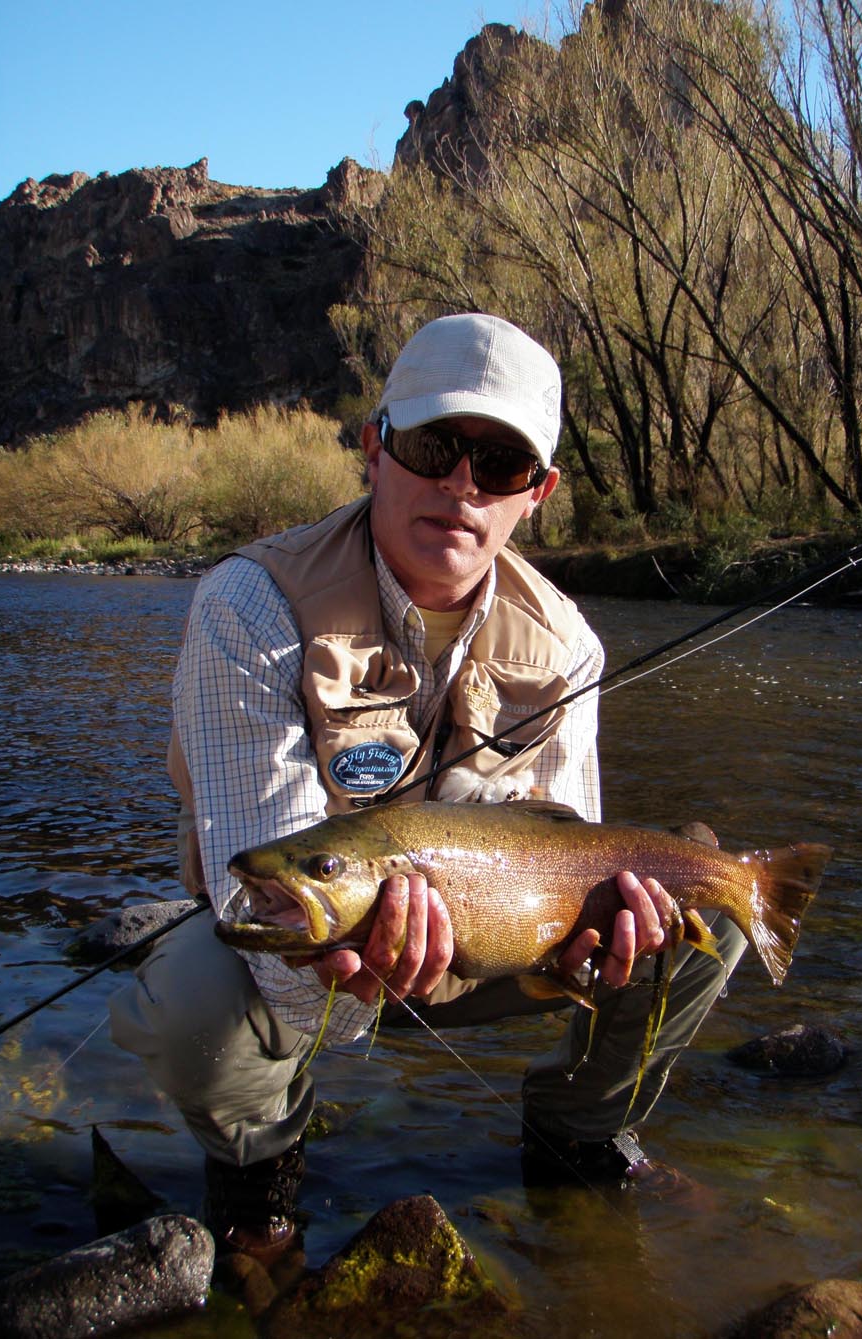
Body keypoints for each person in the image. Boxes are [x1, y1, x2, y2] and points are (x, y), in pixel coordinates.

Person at [110, 313, 746, 1258]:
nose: (461, 484)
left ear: (537, 493)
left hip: (498, 944)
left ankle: (581, 1136)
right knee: (189, 994)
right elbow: (265, 906)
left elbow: (570, 849)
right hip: (309, 956)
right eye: (434, 446)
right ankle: (258, 1176)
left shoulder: (569, 644)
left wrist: (594, 953)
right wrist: (355, 979)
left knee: (709, 913)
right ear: (375, 448)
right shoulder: (249, 606)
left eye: (500, 465)